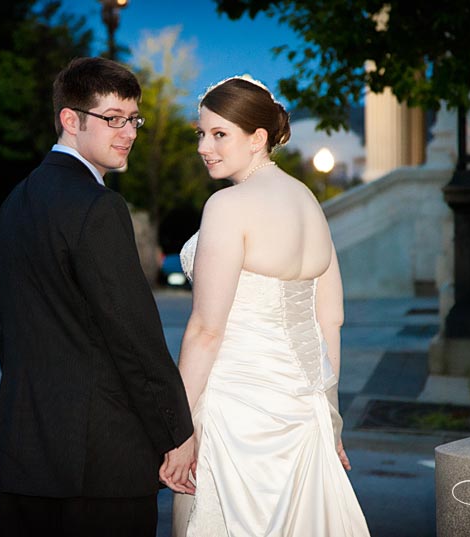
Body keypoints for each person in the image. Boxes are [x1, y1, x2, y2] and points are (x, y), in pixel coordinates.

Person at [0, 57, 194, 537]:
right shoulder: (99, 206)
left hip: (24, 452)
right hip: (100, 464)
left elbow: (8, 334)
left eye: (133, 119)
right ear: (70, 120)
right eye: (113, 118)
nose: (129, 132)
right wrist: (177, 432)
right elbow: (132, 334)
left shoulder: (15, 201)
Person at [161, 77, 370, 536]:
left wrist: (176, 428)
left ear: (257, 139)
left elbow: (205, 331)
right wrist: (329, 419)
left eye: (220, 134)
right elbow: (329, 321)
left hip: (232, 407)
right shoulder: (309, 203)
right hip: (303, 409)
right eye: (201, 133)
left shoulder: (227, 206)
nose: (204, 146)